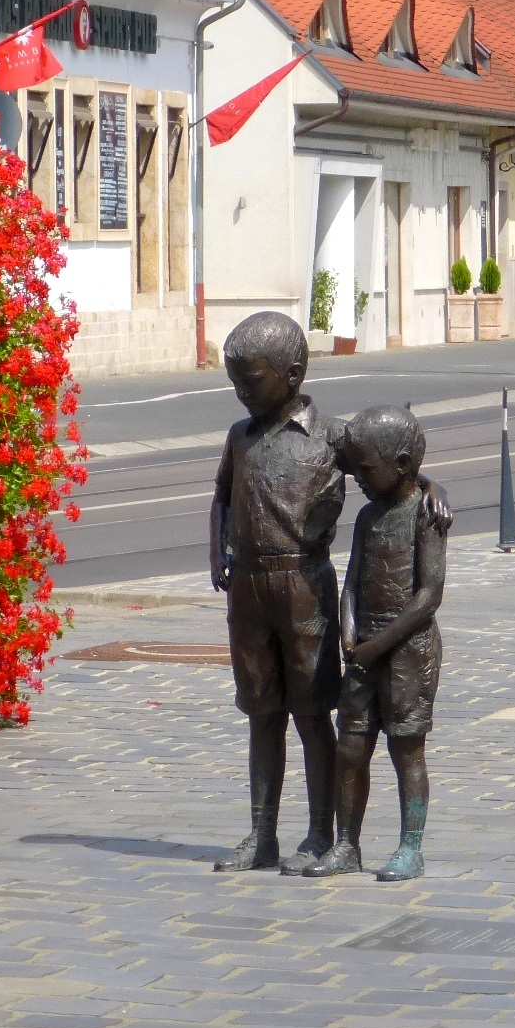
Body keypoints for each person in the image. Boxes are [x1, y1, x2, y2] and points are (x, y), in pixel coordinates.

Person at [208, 312, 346, 875]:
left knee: (312, 713)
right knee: (261, 712)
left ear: (291, 375)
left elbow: (395, 465)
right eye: (235, 382)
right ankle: (261, 833)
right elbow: (221, 495)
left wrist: (431, 489)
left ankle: (319, 834)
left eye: (252, 382)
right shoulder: (239, 438)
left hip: (303, 587)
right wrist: (217, 550)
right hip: (249, 591)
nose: (241, 394)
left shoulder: (330, 436)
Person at [306, 405, 445, 883]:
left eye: (366, 468)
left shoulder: (425, 515)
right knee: (351, 746)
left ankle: (411, 847)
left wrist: (378, 644)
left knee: (407, 748)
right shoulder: (368, 516)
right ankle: (347, 843)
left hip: (407, 651)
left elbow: (427, 597)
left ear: (402, 464)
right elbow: (351, 582)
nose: (358, 478)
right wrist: (348, 630)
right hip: (364, 648)